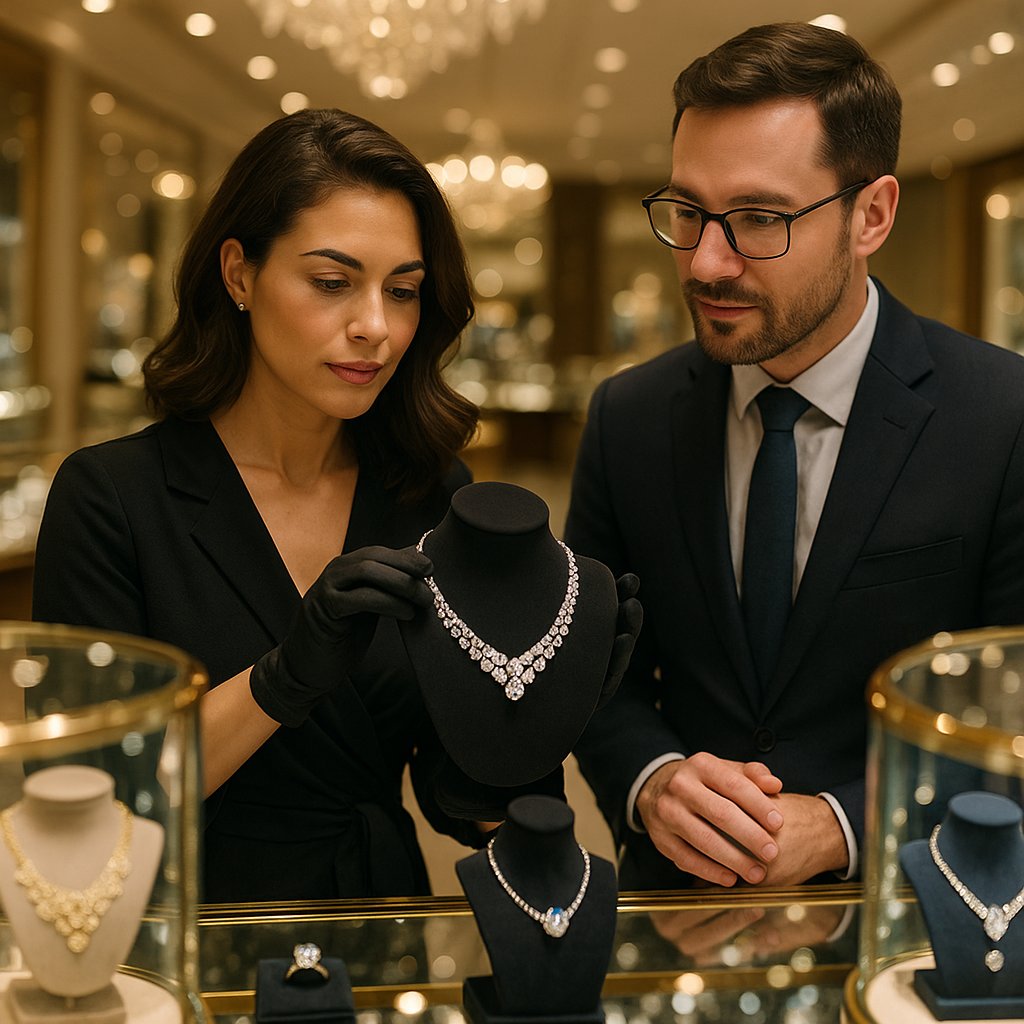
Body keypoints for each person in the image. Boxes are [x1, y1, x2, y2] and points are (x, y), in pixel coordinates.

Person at [565, 22, 1024, 891]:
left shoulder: (1002, 417)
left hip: (912, 918)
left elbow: (1014, 714)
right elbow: (594, 677)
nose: (706, 260)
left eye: (758, 220)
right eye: (689, 212)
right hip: (674, 923)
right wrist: (652, 782)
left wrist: (848, 822)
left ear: (872, 215)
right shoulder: (629, 417)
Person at [32, 108, 485, 901]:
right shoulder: (115, 498)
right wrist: (281, 678)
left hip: (378, 923)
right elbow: (98, 794)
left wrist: (531, 715)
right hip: (187, 927)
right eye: (332, 283)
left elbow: (453, 790)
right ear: (238, 273)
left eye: (404, 292)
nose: (375, 327)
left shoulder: (431, 494)